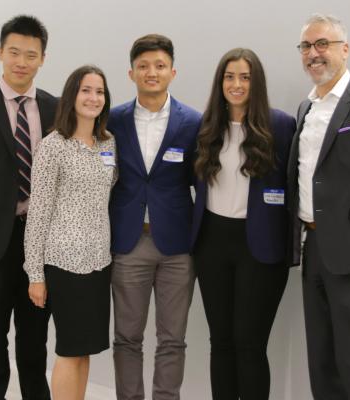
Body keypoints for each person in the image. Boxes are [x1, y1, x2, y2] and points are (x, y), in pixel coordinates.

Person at [191, 48, 295, 400]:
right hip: (212, 243)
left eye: (245, 77)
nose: (237, 85)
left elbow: (294, 191)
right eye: (230, 77)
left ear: (257, 83)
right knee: (220, 341)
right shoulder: (206, 126)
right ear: (220, 82)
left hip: (260, 245)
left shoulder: (280, 125)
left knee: (250, 344)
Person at [288, 13, 350, 400]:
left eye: (322, 44)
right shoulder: (305, 109)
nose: (314, 53)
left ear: (345, 49)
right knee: (321, 357)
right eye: (307, 46)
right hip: (314, 251)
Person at [107, 34, 201, 400]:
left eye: (159, 66)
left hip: (177, 247)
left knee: (173, 339)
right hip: (129, 243)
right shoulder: (111, 120)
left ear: (172, 72)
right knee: (127, 338)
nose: (151, 72)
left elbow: (203, 181)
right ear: (131, 73)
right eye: (143, 66)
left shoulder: (193, 121)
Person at [23, 65, 118, 400]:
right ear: (72, 96)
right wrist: (35, 273)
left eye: (100, 91)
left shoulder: (108, 143)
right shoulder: (53, 146)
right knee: (68, 348)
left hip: (99, 262)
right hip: (64, 262)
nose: (93, 97)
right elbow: (38, 212)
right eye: (86, 90)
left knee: (85, 349)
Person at [0, 15, 57, 400]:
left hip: (40, 243)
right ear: (0, 53)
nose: (22, 61)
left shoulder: (57, 109)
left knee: (34, 341)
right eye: (14, 52)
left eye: (31, 54)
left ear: (43, 58)